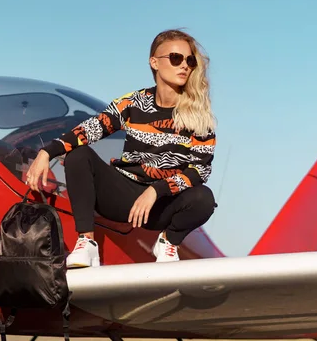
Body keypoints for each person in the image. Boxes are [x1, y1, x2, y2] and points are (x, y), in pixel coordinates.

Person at [26, 29, 217, 268]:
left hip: (162, 204)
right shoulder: (133, 103)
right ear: (154, 62)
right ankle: (87, 244)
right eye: (176, 58)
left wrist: (157, 190)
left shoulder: (199, 117)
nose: (185, 66)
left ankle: (168, 242)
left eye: (190, 60)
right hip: (123, 195)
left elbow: (200, 171)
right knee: (79, 155)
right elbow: (93, 128)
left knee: (203, 198)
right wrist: (47, 152)